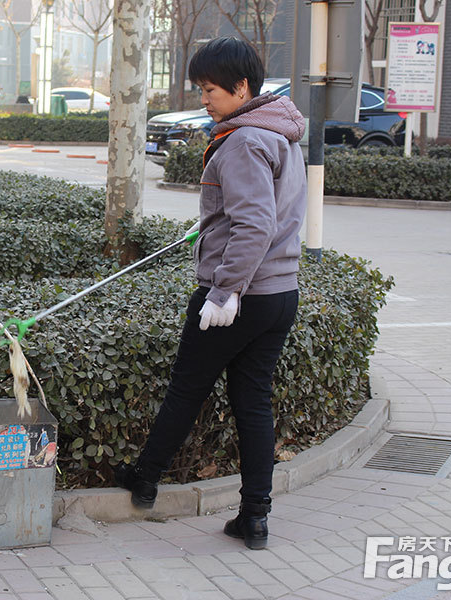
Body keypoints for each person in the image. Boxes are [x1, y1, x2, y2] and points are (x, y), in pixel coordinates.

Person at [115, 37, 306, 551]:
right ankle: (255, 518)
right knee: (253, 404)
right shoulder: (283, 135)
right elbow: (262, 216)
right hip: (280, 295)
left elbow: (255, 225)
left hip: (238, 297)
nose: (204, 98)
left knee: (187, 388)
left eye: (211, 89)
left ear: (241, 88)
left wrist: (224, 291)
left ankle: (145, 479)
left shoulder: (244, 140)